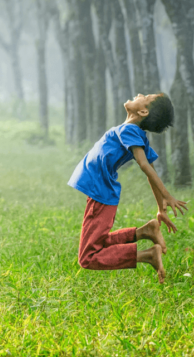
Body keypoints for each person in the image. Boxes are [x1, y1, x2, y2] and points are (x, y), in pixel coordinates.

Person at [67, 93, 187, 284]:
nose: (139, 94)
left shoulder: (130, 130)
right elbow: (150, 170)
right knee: (99, 243)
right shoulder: (134, 132)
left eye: (145, 96)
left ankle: (148, 255)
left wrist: (166, 196)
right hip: (101, 192)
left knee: (88, 257)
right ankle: (144, 232)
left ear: (143, 111)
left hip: (101, 193)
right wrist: (160, 208)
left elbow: (145, 165)